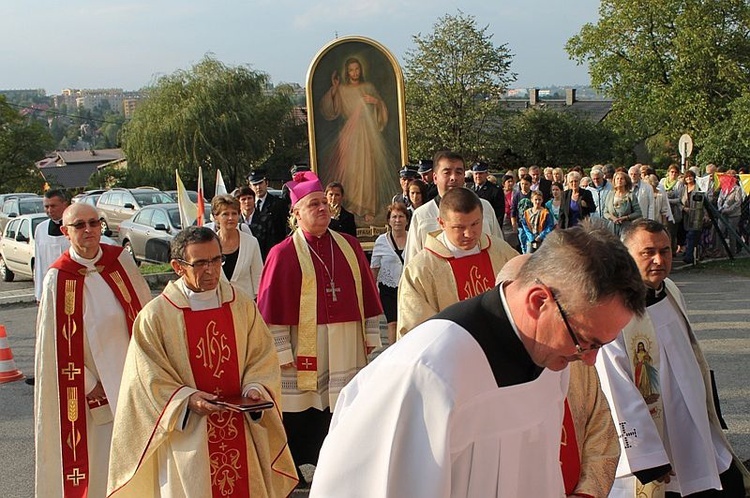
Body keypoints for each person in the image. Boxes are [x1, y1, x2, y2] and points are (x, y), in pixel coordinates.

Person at [309, 222, 646, 497]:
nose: (588, 361)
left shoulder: (549, 359)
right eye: (585, 342)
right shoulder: (424, 374)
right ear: (538, 301)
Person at [107, 227, 297, 497]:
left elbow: (261, 356)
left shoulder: (240, 304)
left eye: (217, 260)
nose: (211, 270)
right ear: (177, 266)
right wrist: (187, 399)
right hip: (189, 435)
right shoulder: (156, 316)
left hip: (239, 428)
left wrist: (256, 387)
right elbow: (145, 380)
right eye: (200, 263)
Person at [595, 219, 750, 498]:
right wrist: (647, 457)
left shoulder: (671, 290)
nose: (659, 259)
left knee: (727, 481)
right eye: (648, 252)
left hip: (695, 423)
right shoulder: (612, 309)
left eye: (665, 251)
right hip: (657, 437)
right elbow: (616, 388)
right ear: (624, 254)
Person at [256, 170, 383, 487]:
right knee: (302, 410)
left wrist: (371, 338)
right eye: (313, 204)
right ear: (295, 212)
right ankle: (295, 469)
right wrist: (282, 350)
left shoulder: (350, 246)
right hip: (302, 348)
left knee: (343, 407)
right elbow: (271, 311)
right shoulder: (281, 254)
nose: (322, 208)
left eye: (324, 202)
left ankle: (341, 462)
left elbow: (367, 296)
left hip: (345, 344)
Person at [35, 202, 151, 498]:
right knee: (100, 460)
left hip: (132, 377)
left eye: (94, 223)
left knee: (138, 456)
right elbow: (54, 345)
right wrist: (88, 384)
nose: (88, 230)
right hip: (90, 389)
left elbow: (147, 316)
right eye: (79, 226)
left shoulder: (120, 262)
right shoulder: (57, 279)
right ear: (65, 232)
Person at [397, 188, 518, 338]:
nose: (469, 234)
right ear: (441, 223)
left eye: (475, 224)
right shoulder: (420, 271)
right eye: (459, 227)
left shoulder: (502, 253)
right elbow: (416, 332)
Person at [320, 56, 396, 219]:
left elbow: (382, 109)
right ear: (347, 72)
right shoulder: (342, 89)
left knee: (367, 169)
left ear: (361, 70)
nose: (354, 73)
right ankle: (353, 207)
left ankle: (368, 208)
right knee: (352, 170)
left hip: (367, 134)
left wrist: (374, 101)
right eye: (351, 70)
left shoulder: (368, 87)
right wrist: (334, 89)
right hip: (349, 134)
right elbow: (329, 110)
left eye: (357, 69)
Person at [404, 150, 503, 263]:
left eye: (459, 172)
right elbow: (412, 262)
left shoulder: (484, 208)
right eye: (447, 172)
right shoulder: (423, 215)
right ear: (435, 178)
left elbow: (499, 250)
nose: (453, 178)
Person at [370, 202, 409, 345]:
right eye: (394, 217)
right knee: (392, 322)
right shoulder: (381, 241)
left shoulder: (413, 238)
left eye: (401, 216)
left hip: (408, 287)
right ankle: (393, 351)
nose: (397, 220)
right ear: (389, 220)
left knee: (406, 322)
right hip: (388, 288)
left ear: (406, 219)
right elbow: (374, 267)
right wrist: (372, 291)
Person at [212, 194, 263, 299]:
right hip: (218, 304)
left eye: (234, 214)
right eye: (225, 214)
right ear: (216, 217)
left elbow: (258, 277)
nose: (231, 218)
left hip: (246, 304)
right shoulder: (209, 245)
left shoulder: (251, 242)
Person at [34, 189, 70, 301]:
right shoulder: (41, 229)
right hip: (49, 285)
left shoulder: (76, 227)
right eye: (46, 206)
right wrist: (39, 294)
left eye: (53, 206)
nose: (49, 210)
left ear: (65, 204)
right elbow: (39, 263)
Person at [248, 170, 289, 259]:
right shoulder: (247, 205)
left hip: (274, 252)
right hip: (254, 254)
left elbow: (285, 229)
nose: (258, 187)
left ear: (266, 183)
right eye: (255, 185)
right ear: (250, 186)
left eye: (260, 183)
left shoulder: (278, 204)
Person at [603, 170, 642, 236]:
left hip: (626, 227)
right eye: (617, 179)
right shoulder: (610, 194)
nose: (619, 180)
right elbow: (605, 212)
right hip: (612, 227)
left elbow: (638, 213)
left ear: (626, 181)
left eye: (622, 179)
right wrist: (613, 218)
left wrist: (626, 217)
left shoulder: (631, 195)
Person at [659, 165, 685, 254]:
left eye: (675, 172)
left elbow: (680, 199)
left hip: (674, 210)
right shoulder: (662, 182)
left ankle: (671, 250)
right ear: (668, 172)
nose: (673, 174)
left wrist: (667, 200)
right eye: (672, 172)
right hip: (664, 209)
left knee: (672, 232)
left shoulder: (679, 184)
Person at [717, 170, 744, 255]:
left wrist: (728, 210)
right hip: (722, 212)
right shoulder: (723, 188)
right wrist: (720, 208)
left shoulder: (737, 188)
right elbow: (719, 199)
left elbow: (738, 202)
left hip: (734, 214)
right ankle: (719, 251)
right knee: (720, 231)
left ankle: (732, 252)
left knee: (731, 233)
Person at [681, 170, 704, 264]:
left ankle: (689, 256)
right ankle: (692, 253)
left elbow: (704, 202)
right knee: (689, 235)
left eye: (690, 176)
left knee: (692, 235)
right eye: (687, 177)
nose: (688, 178)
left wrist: (705, 215)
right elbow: (679, 201)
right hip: (686, 216)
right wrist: (683, 208)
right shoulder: (683, 189)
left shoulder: (698, 188)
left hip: (697, 215)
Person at [472, 161, 505, 226]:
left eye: (481, 173)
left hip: (488, 226)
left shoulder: (495, 190)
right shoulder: (469, 189)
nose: (478, 176)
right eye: (476, 174)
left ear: (486, 174)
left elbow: (499, 214)